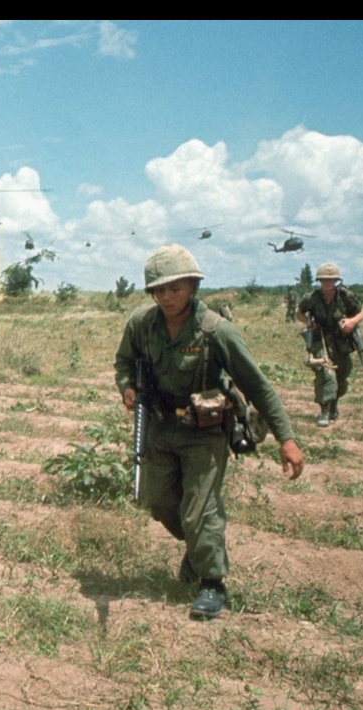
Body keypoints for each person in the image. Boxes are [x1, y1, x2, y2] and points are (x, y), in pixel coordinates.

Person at [115, 245, 305, 620]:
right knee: (159, 503)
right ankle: (200, 547)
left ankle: (212, 582)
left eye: (176, 288)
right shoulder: (141, 323)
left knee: (200, 511)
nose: (167, 297)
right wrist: (126, 386)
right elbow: (124, 362)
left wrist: (287, 439)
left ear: (192, 286)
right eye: (159, 290)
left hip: (204, 432)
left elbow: (259, 386)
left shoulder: (216, 331)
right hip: (159, 427)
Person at [297, 262, 363, 427]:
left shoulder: (344, 296)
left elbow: (361, 312)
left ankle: (334, 405)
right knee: (326, 374)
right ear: (319, 281)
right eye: (324, 280)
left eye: (331, 280)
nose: (328, 283)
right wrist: (308, 322)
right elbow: (299, 311)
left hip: (341, 341)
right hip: (320, 340)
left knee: (342, 375)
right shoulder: (311, 298)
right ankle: (324, 412)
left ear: (336, 281)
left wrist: (351, 321)